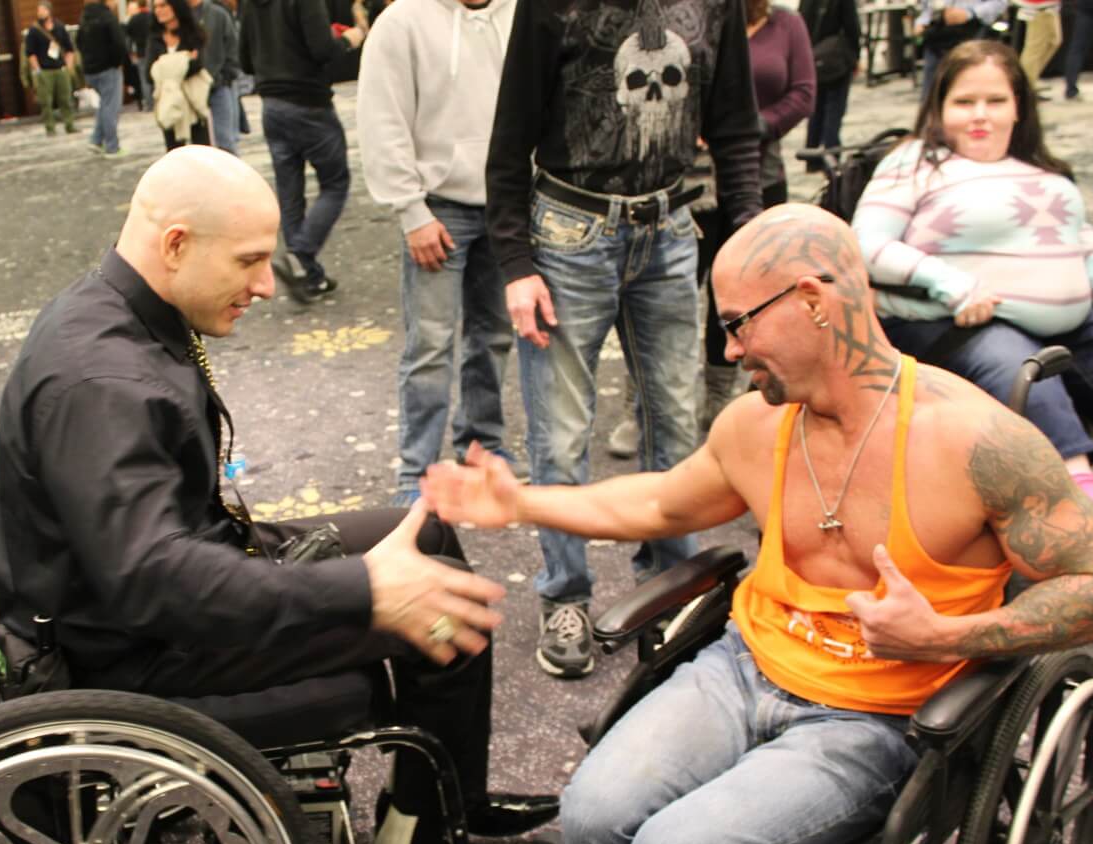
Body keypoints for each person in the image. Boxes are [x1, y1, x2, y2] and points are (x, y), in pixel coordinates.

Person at [421, 202, 1093, 844]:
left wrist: (944, 636)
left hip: (872, 717)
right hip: (742, 670)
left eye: (738, 324)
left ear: (812, 300)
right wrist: (520, 502)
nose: (729, 349)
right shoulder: (757, 425)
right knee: (591, 814)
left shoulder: (972, 440)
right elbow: (659, 503)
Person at [0, 145, 564, 844]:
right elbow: (156, 584)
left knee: (428, 538)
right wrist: (365, 589)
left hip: (159, 575)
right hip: (137, 650)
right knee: (446, 601)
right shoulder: (104, 382)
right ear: (176, 244)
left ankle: (449, 799)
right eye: (249, 261)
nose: (265, 284)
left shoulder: (115, 310)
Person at [485, 0, 762, 678]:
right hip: (568, 231)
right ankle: (565, 597)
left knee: (676, 425)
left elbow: (735, 126)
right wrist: (516, 264)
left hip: (669, 228)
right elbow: (509, 138)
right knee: (561, 433)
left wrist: (753, 237)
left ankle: (673, 589)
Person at [853, 40, 1093, 511]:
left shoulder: (1039, 167)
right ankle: (1075, 495)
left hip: (1072, 318)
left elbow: (1075, 231)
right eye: (964, 101)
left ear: (1019, 107)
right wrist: (950, 284)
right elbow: (867, 243)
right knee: (1021, 364)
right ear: (939, 108)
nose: (980, 115)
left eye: (996, 100)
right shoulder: (915, 162)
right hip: (958, 318)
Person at [357, 0, 522, 508]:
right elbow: (382, 120)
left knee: (493, 337)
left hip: (506, 203)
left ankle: (481, 445)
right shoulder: (403, 21)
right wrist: (411, 211)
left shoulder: (521, 13)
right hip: (437, 208)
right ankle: (418, 472)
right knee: (429, 347)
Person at [695, 0, 815, 435]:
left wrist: (749, 126)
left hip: (760, 176)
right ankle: (643, 400)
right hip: (695, 183)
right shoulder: (697, 19)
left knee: (746, 297)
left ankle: (725, 398)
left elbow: (803, 93)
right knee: (672, 295)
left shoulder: (786, 24)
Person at [239, 0, 365, 303]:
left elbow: (245, 61)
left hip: (272, 105)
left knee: (290, 191)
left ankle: (309, 276)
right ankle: (300, 254)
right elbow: (323, 50)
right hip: (309, 103)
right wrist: (351, 37)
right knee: (335, 184)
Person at [145, 0, 211, 149]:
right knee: (174, 154)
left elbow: (197, 65)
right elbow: (149, 74)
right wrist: (183, 59)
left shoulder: (193, 33)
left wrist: (164, 65)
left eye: (163, 5)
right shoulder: (155, 39)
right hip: (169, 104)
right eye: (156, 7)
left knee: (202, 152)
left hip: (193, 103)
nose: (158, 10)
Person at [800, 0, 859, 164]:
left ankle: (812, 155)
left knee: (816, 109)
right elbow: (852, 27)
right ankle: (830, 153)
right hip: (835, 59)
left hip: (812, 57)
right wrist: (854, 58)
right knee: (834, 109)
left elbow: (802, 24)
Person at [912, 0, 1004, 99]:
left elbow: (999, 3)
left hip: (972, 36)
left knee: (969, 93)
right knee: (931, 96)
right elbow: (927, 9)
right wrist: (922, 22)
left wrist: (970, 13)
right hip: (936, 38)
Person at [77, 0, 130, 156]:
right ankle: (112, 146)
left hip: (90, 70)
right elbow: (119, 43)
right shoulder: (108, 17)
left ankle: (96, 140)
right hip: (108, 68)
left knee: (104, 105)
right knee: (111, 107)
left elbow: (78, 41)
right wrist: (118, 62)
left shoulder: (85, 17)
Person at [189, 0, 239, 153]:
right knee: (198, 147)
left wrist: (226, 76)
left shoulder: (217, 13)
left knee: (225, 142)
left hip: (218, 85)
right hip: (191, 89)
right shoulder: (180, 14)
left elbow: (232, 44)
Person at [25, 0, 77, 136]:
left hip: (60, 68)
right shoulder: (34, 30)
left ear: (49, 11)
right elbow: (30, 53)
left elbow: (69, 49)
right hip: (44, 70)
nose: (40, 13)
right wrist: (37, 70)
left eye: (42, 10)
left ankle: (69, 124)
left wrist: (68, 66)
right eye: (38, 11)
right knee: (46, 101)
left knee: (65, 99)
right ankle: (50, 127)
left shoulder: (59, 26)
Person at [1014, 0, 1061, 92]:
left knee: (1053, 42)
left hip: (1050, 7)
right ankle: (1024, 88)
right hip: (1038, 8)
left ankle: (1030, 81)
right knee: (1034, 50)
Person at [126, 0, 155, 110]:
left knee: (144, 79)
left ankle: (149, 104)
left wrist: (130, 51)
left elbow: (128, 37)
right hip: (154, 51)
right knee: (156, 76)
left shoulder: (133, 19)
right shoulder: (153, 16)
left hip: (141, 52)